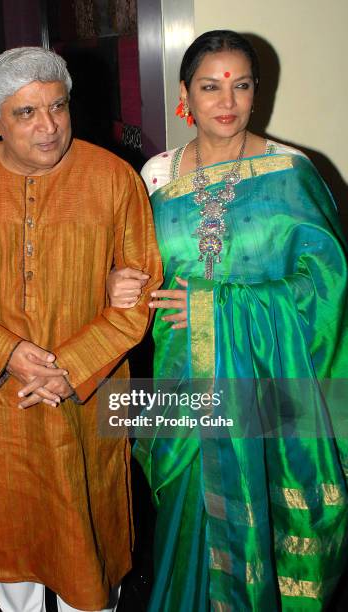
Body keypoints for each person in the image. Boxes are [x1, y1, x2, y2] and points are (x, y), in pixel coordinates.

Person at [107, 30, 348, 611]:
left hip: (270, 386)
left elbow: (327, 284)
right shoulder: (157, 177)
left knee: (261, 511)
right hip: (178, 381)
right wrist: (116, 283)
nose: (227, 101)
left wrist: (219, 306)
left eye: (240, 85)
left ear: (256, 93)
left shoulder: (291, 171)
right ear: (184, 96)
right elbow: (140, 273)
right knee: (189, 524)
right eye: (210, 86)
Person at [0, 47, 162, 612]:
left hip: (89, 392)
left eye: (57, 106)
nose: (48, 127)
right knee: (11, 538)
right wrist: (7, 353)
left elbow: (140, 291)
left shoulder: (112, 178)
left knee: (89, 542)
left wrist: (69, 367)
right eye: (26, 113)